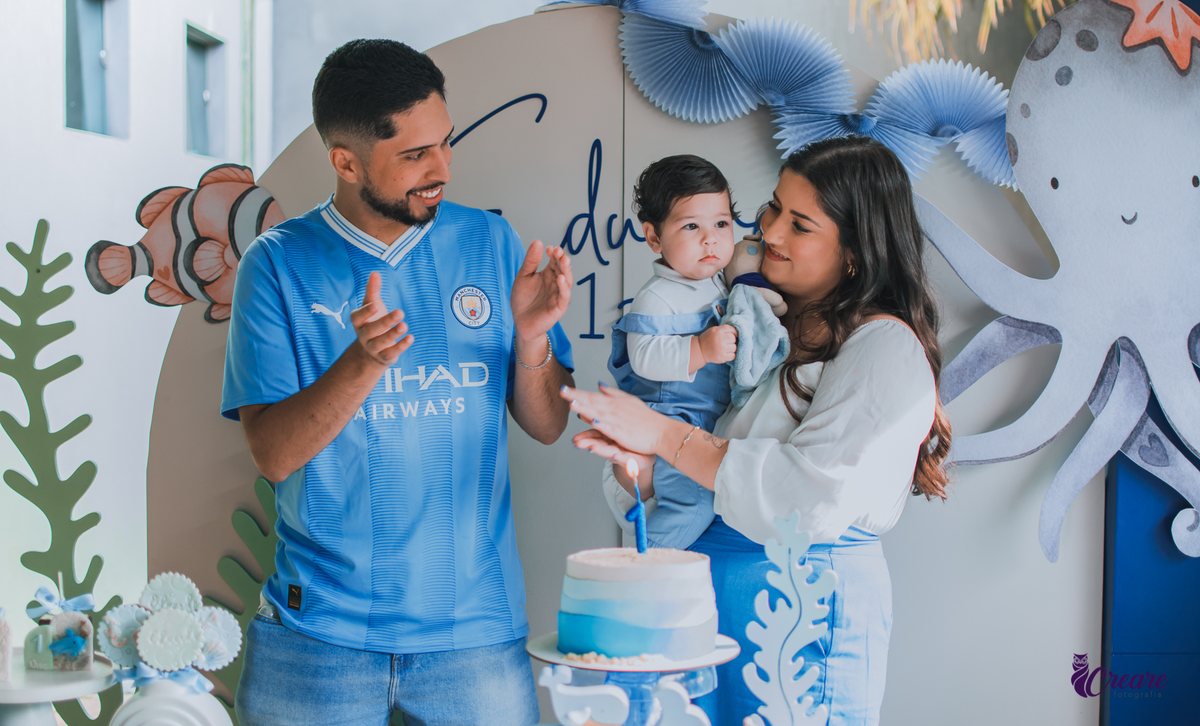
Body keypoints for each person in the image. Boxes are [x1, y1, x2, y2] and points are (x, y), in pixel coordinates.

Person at [221, 38, 575, 726]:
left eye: (444, 143)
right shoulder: (276, 265)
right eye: (414, 155)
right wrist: (362, 363)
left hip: (475, 636)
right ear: (346, 161)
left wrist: (532, 337)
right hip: (314, 637)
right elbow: (274, 454)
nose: (440, 168)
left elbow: (547, 423)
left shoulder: (492, 243)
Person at [562, 135, 951, 726]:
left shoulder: (884, 346)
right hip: (699, 597)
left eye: (801, 224)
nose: (768, 231)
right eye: (773, 207)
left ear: (853, 252)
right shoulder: (752, 318)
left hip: (797, 604)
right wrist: (633, 463)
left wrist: (663, 435)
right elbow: (681, 484)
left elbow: (803, 497)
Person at [606, 155, 738, 550]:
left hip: (706, 422)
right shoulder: (657, 296)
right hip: (671, 419)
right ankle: (646, 565)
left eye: (721, 224)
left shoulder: (716, 281)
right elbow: (645, 356)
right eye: (691, 226)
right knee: (693, 503)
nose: (710, 239)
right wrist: (700, 347)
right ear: (653, 237)